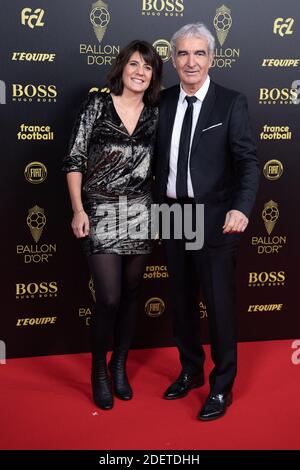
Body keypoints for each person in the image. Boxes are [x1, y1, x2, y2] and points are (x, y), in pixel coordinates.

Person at [153, 23, 260, 421]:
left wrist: (242, 208)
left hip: (216, 218)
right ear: (174, 59)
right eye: (183, 53)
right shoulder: (161, 102)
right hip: (173, 214)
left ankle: (221, 387)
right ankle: (191, 371)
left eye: (199, 53)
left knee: (218, 307)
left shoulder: (231, 103)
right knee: (181, 303)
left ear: (212, 58)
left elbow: (248, 163)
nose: (191, 61)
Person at [62, 40, 162, 410]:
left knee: (133, 290)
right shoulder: (97, 104)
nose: (139, 72)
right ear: (121, 67)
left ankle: (119, 365)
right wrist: (78, 209)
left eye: (148, 67)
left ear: (153, 76)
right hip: (100, 207)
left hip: (140, 209)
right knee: (108, 297)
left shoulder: (156, 113)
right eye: (134, 64)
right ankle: (99, 372)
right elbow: (73, 159)